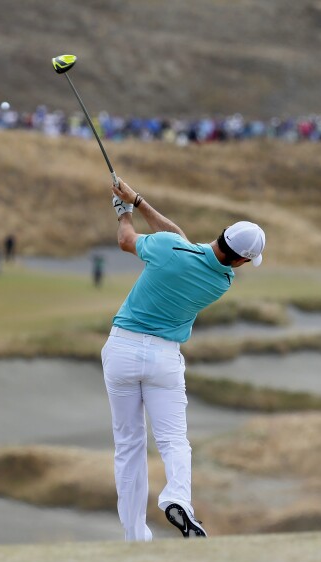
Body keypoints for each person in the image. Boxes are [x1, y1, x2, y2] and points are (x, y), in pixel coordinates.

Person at [102, 177, 265, 541]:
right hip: (163, 359)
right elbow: (181, 241)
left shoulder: (168, 248)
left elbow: (129, 240)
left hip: (122, 350)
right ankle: (177, 497)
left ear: (222, 233)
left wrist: (124, 213)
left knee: (129, 444)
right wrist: (139, 202)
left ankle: (134, 534)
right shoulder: (222, 281)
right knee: (175, 440)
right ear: (239, 260)